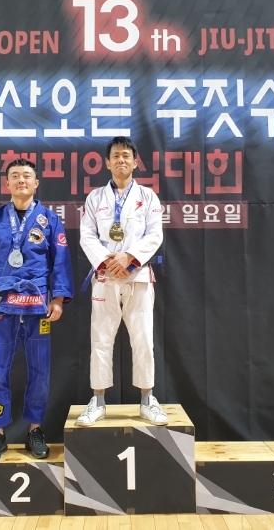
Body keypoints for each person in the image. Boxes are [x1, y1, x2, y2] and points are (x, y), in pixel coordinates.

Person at [0, 158, 73, 461]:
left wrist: (58, 298)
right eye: (15, 176)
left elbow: (61, 260)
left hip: (38, 307)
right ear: (8, 183)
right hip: (2, 305)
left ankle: (35, 430)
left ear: (36, 183)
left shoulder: (49, 220)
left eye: (27, 175)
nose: (21, 180)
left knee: (40, 372)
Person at [77, 137, 167, 426]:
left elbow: (155, 235)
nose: (121, 160)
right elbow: (87, 236)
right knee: (101, 340)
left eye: (126, 155)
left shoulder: (148, 197)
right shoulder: (95, 198)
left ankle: (147, 399)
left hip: (137, 276)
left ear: (135, 161)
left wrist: (129, 257)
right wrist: (108, 262)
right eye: (115, 156)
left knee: (143, 339)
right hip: (105, 276)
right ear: (107, 163)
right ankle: (98, 401)